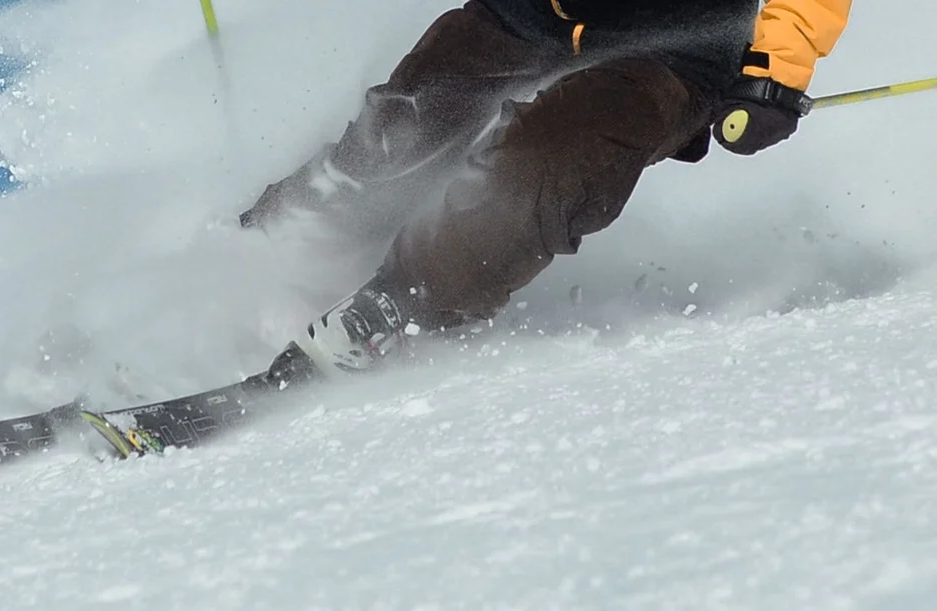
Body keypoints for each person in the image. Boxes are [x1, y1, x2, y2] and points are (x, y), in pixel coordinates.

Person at [240, 0, 852, 374]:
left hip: (678, 45)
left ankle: (402, 310)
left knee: (542, 163)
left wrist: (776, 68)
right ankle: (253, 258)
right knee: (396, 139)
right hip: (528, 12)